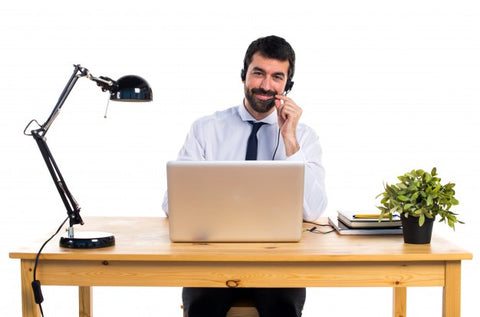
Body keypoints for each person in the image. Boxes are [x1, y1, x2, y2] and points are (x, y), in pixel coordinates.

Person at [163, 35, 327, 317]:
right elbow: (172, 206)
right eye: (258, 73)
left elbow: (313, 210)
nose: (265, 85)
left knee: (282, 311)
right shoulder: (206, 129)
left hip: (278, 262)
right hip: (213, 258)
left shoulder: (304, 137)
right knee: (202, 310)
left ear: (287, 86)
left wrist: (289, 139)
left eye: (277, 77)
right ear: (243, 75)